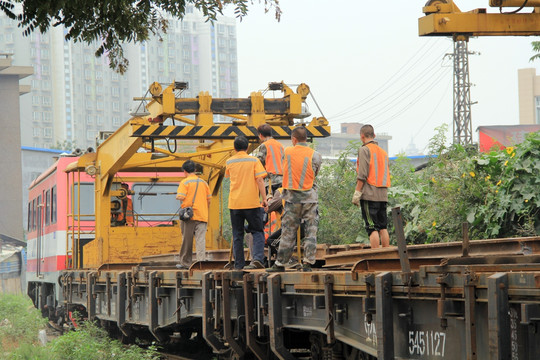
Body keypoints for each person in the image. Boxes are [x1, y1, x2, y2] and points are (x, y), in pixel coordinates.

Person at [267, 126, 322, 272]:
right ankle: (308, 263)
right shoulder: (315, 155)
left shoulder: (287, 152)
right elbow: (315, 172)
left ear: (294, 139)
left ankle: (280, 264)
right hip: (310, 198)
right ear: (306, 139)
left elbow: (284, 168)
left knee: (288, 231)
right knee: (311, 232)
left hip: (292, 198)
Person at [225, 136, 268, 270]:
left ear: (234, 148)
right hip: (251, 203)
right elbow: (260, 180)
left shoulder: (229, 162)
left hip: (235, 203)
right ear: (248, 147)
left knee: (237, 234)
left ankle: (239, 265)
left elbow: (228, 176)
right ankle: (257, 259)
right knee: (257, 231)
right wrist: (265, 199)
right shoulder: (254, 160)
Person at [352, 124, 391, 249]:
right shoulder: (383, 153)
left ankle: (376, 257)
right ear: (374, 136)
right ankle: (386, 255)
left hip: (370, 195)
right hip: (383, 195)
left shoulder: (364, 150)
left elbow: (362, 174)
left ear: (362, 137)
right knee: (383, 226)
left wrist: (357, 193)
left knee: (372, 227)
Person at [176, 160, 211, 269]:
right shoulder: (204, 183)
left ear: (184, 171)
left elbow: (181, 197)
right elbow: (209, 200)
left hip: (189, 216)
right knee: (201, 240)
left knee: (187, 240)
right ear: (195, 170)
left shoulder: (185, 182)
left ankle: (186, 263)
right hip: (202, 215)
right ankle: (201, 263)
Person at [255, 123, 285, 194]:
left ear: (260, 135)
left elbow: (259, 163)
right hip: (282, 179)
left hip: (271, 180)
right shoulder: (280, 145)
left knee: (270, 203)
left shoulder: (264, 145)